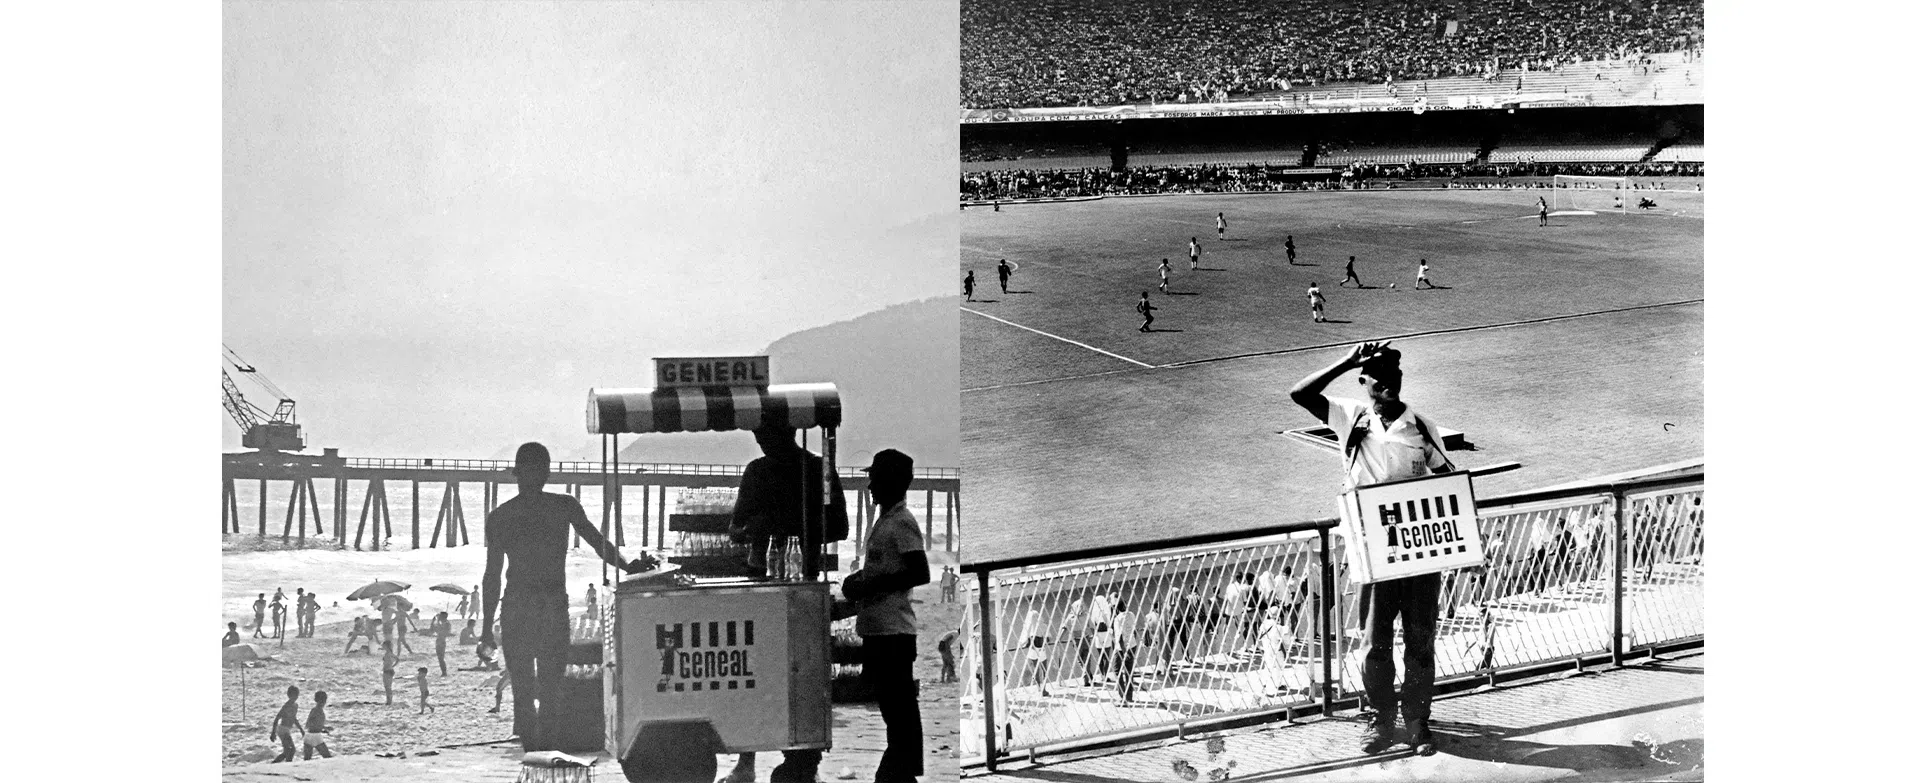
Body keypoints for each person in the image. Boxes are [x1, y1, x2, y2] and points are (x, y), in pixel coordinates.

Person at [1289, 341, 1456, 756]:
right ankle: (1380, 720)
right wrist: (1346, 360)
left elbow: (1448, 479)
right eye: (1378, 380)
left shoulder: (1421, 426)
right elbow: (1301, 394)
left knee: (1420, 640)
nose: (1388, 386)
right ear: (1364, 382)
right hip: (1371, 549)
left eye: (1394, 379)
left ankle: (1417, 721)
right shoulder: (1351, 417)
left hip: (1419, 551)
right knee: (1374, 641)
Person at [482, 442, 653, 751]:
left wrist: (484, 630)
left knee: (522, 693)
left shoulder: (500, 516)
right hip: (551, 607)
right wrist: (629, 566)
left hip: (517, 608)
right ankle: (546, 754)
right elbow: (598, 543)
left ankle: (534, 755)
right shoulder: (563, 506)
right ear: (547, 473)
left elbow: (492, 576)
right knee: (550, 690)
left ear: (516, 474)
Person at [840, 448, 931, 783]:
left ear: (891, 481)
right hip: (881, 632)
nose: (869, 486)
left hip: (893, 634)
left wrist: (869, 585)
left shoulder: (902, 522)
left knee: (899, 713)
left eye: (874, 478)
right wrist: (861, 584)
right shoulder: (887, 521)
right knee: (895, 713)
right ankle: (900, 774)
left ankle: (896, 774)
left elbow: (919, 572)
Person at [730, 425, 848, 580]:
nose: (762, 446)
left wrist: (757, 528)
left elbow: (736, 528)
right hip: (803, 567)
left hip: (763, 568)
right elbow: (839, 527)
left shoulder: (756, 471)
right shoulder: (818, 468)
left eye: (764, 441)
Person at [269, 686, 304, 763]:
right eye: (293, 695)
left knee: (287, 751)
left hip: (287, 729)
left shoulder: (295, 706)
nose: (295, 697)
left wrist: (301, 730)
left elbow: (294, 718)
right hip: (282, 729)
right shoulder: (286, 706)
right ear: (289, 695)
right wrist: (273, 733)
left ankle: (275, 763)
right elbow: (277, 719)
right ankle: (287, 764)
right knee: (291, 750)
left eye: (296, 695)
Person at [303, 690, 334, 759]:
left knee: (307, 760)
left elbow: (311, 724)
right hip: (316, 736)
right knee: (327, 757)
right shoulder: (317, 710)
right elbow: (310, 724)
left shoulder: (315, 710)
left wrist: (324, 728)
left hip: (309, 735)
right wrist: (323, 728)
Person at [430, 611, 453, 676]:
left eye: (440, 616)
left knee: (441, 658)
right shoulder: (442, 623)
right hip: (439, 641)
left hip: (442, 641)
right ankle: (443, 672)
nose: (438, 617)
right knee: (440, 658)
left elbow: (445, 632)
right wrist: (433, 621)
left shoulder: (446, 624)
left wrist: (437, 623)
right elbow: (432, 630)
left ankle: (444, 672)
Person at [382, 642, 398, 706]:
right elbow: (397, 659)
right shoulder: (389, 653)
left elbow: (397, 659)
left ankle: (389, 701)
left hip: (387, 671)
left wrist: (392, 665)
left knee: (387, 687)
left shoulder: (388, 654)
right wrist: (393, 665)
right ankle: (389, 700)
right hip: (389, 670)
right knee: (388, 686)